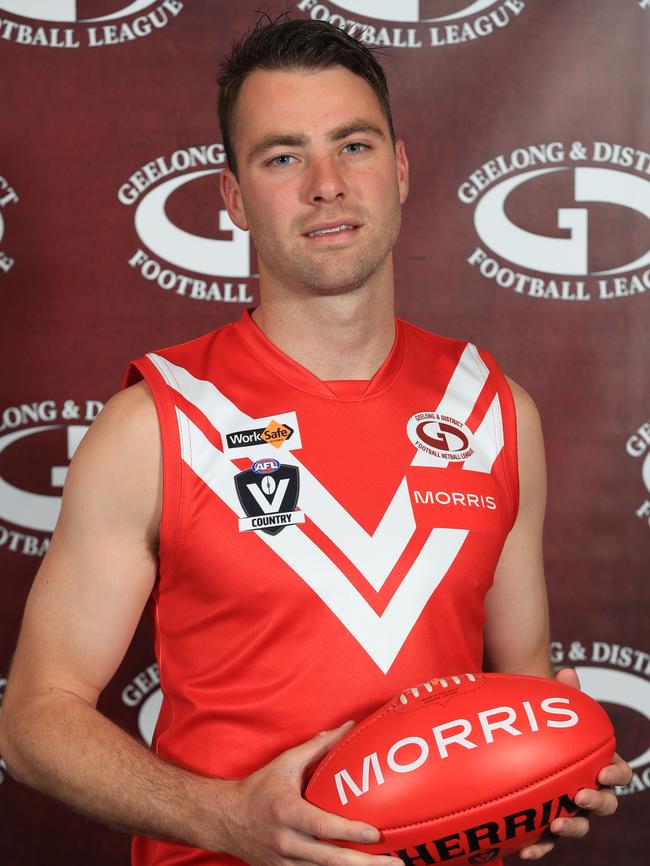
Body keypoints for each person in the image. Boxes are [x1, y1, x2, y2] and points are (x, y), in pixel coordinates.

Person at [0, 16, 631, 866]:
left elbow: (522, 688)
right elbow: (35, 718)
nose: (327, 184)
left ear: (400, 168)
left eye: (356, 146)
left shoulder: (495, 412)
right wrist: (225, 818)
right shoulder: (155, 424)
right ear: (233, 196)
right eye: (283, 155)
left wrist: (545, 784)